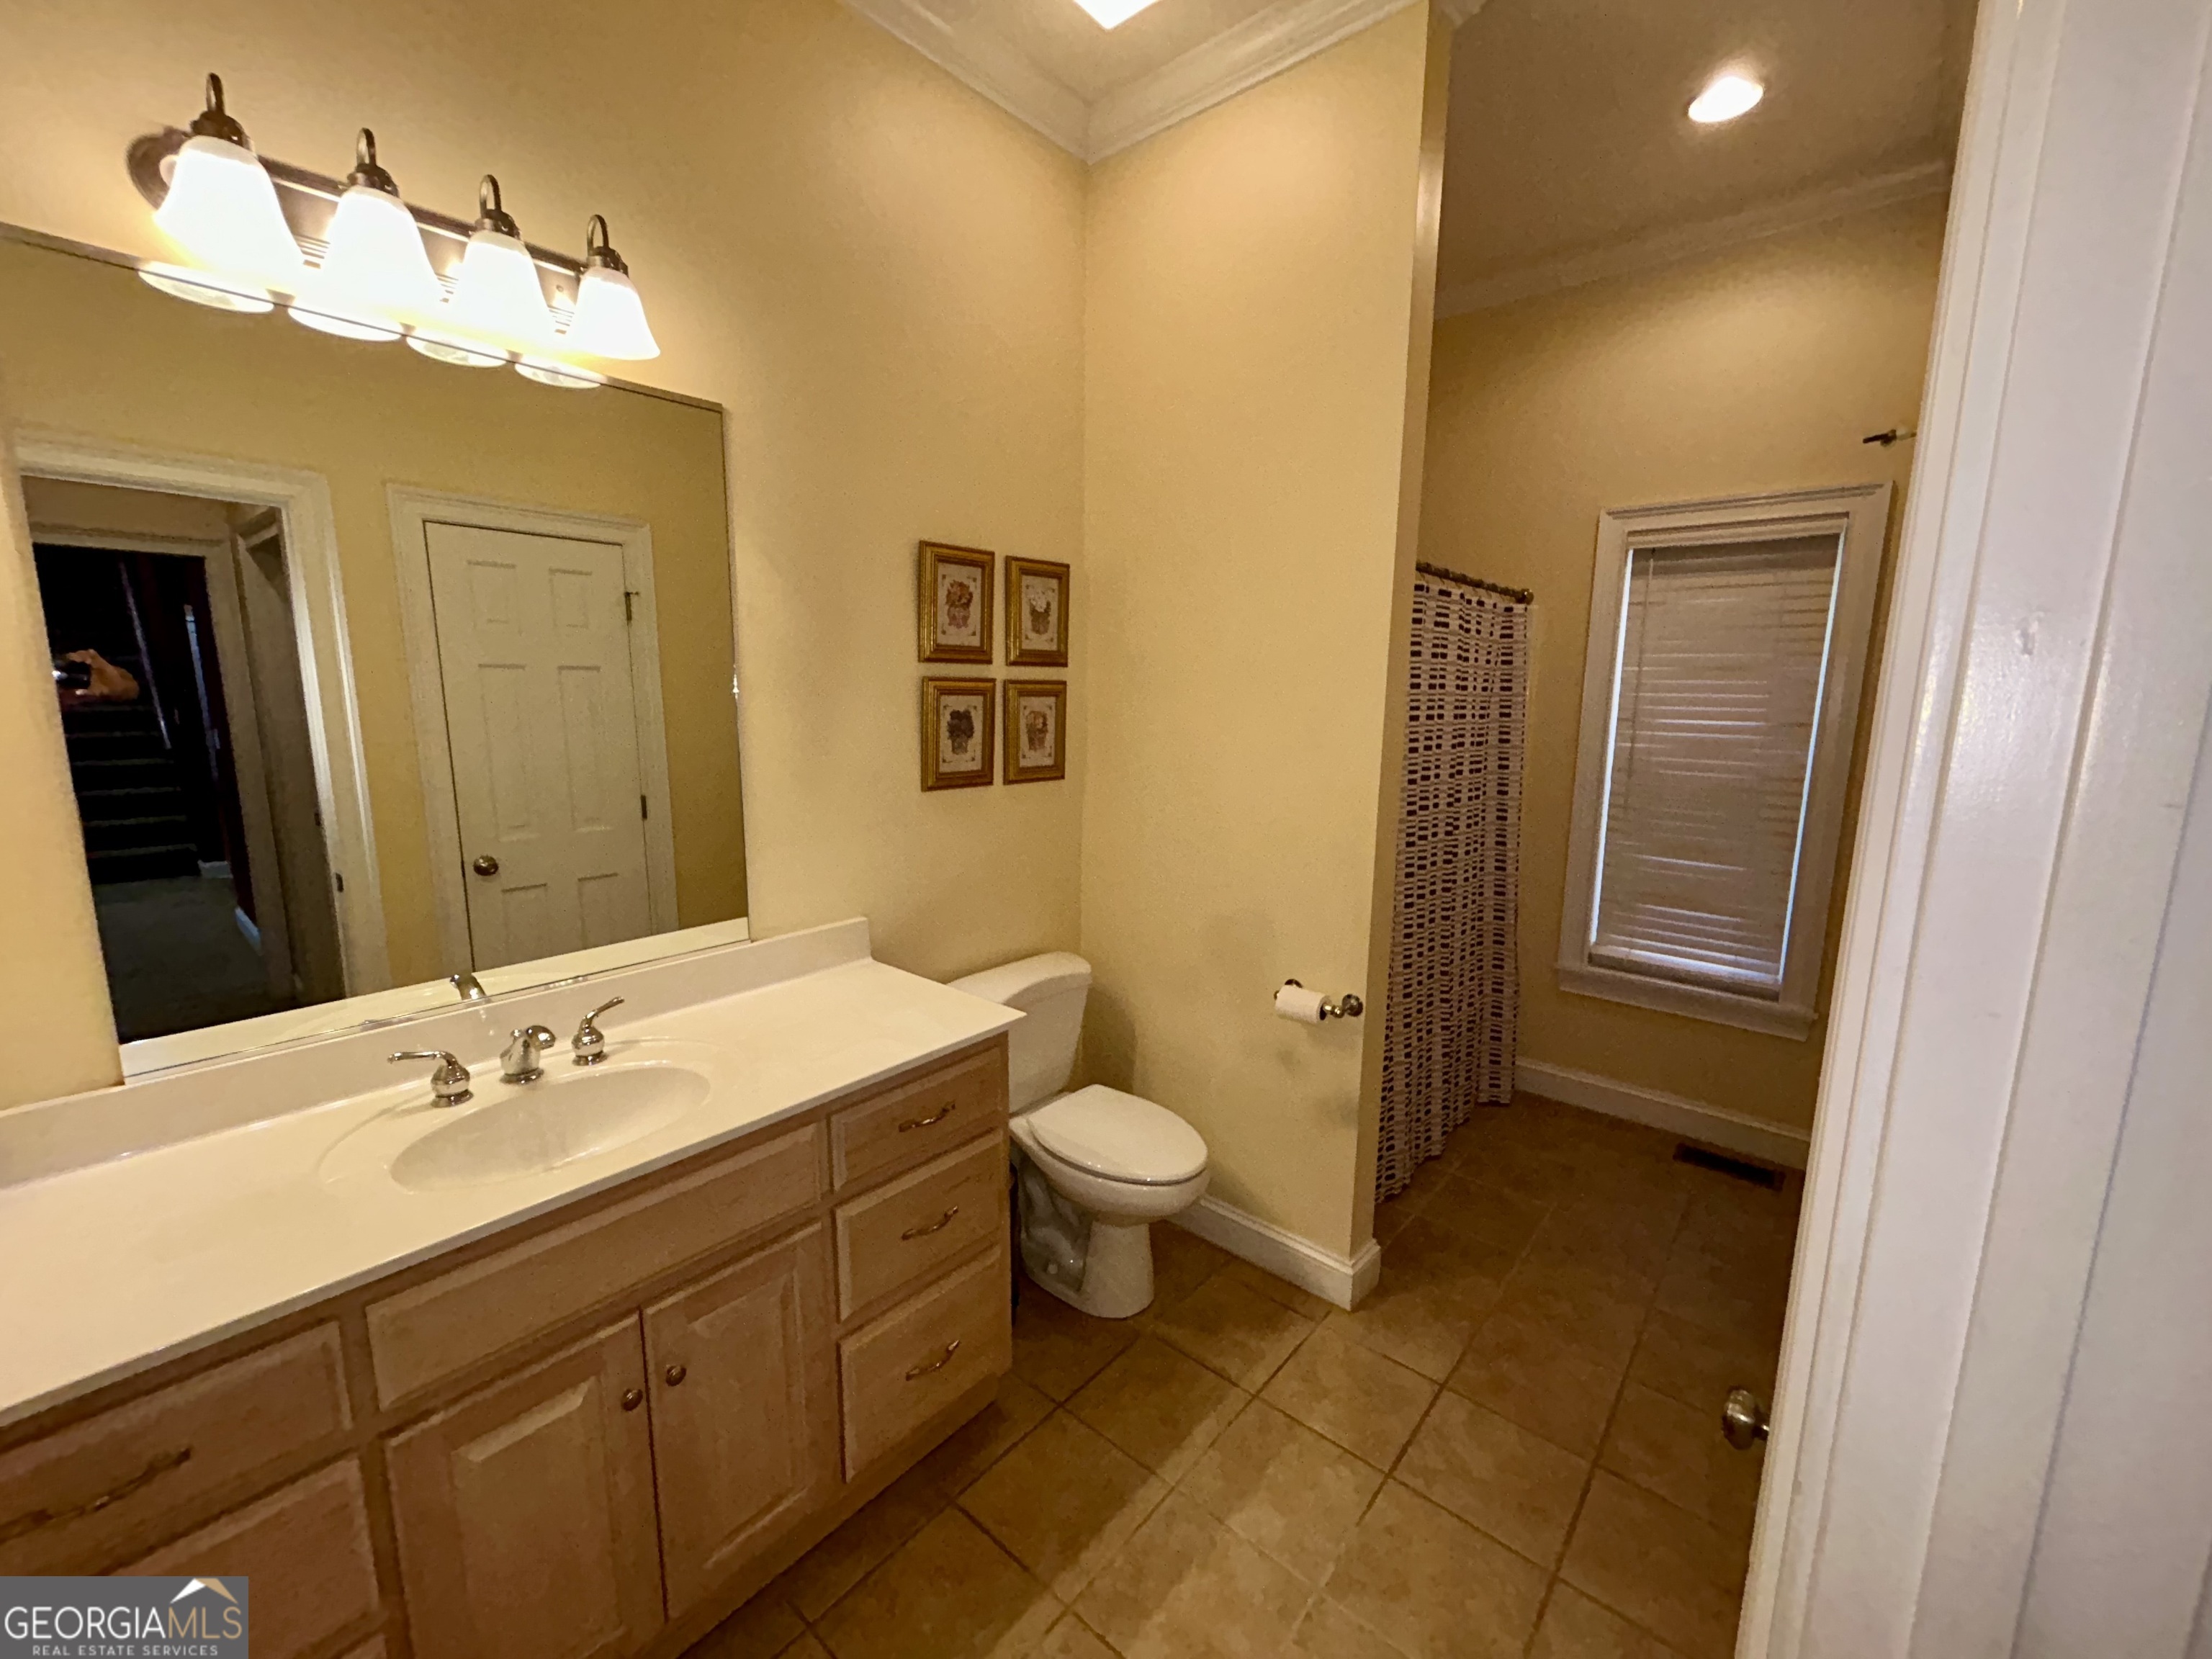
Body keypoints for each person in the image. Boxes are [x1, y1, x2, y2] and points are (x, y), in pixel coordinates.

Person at [53, 648, 140, 709]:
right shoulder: (112, 677)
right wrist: (71, 657)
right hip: (81, 673)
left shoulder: (104, 692)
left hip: (80, 681)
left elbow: (80, 695)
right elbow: (93, 655)